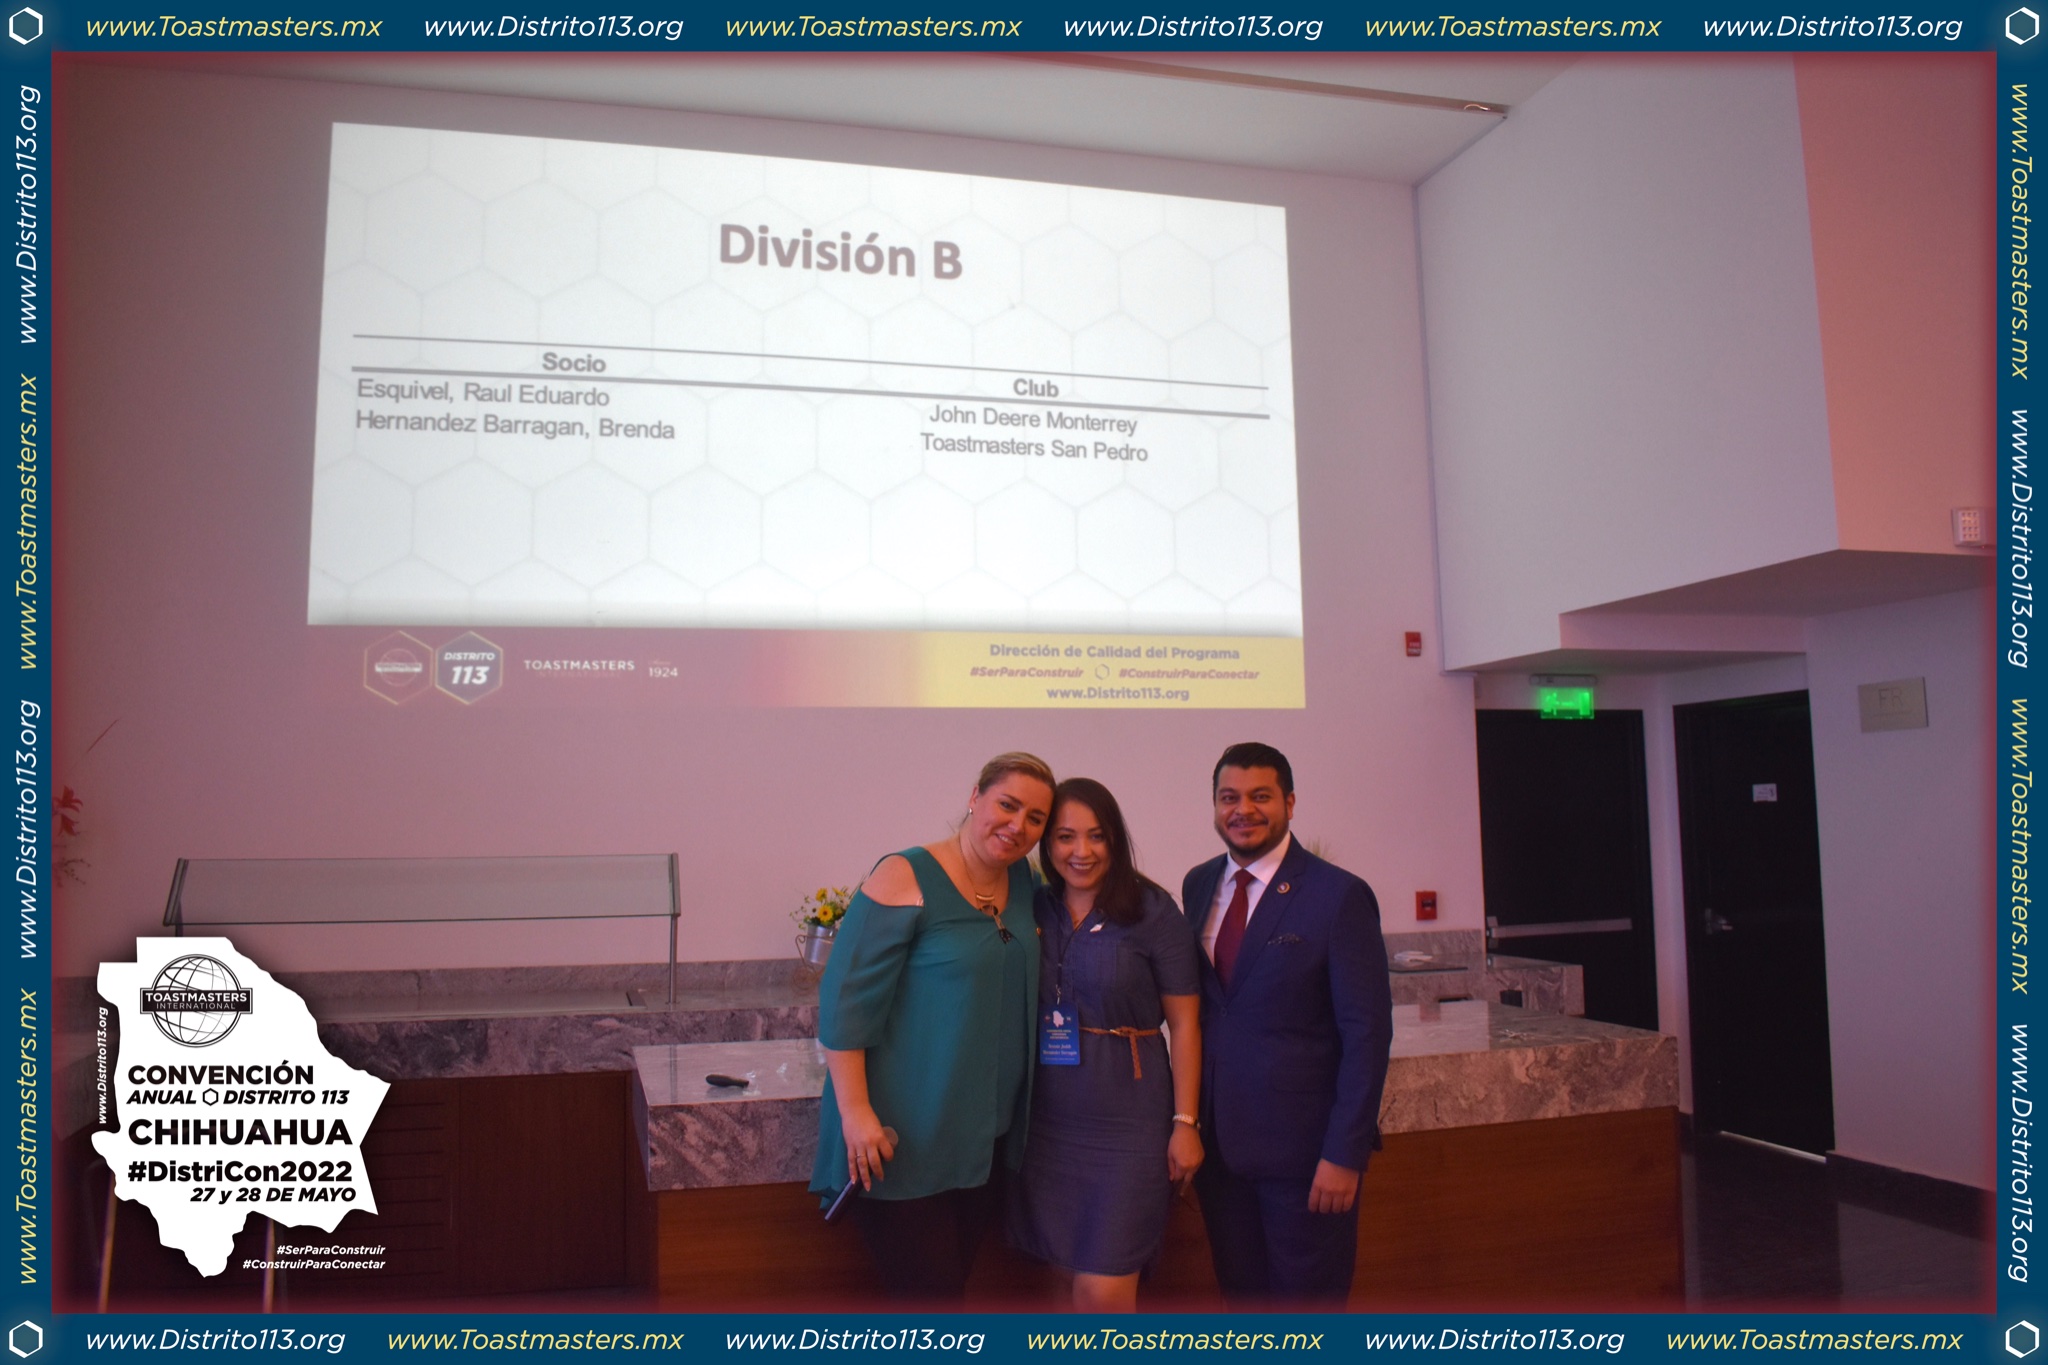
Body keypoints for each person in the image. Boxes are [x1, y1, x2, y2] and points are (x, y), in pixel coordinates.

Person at [809, 752, 1056, 1301]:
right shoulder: (904, 874)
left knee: (949, 1292)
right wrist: (856, 1113)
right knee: (932, 1301)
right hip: (902, 1139)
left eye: (1035, 818)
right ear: (975, 797)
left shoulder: (1025, 880)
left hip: (984, 1143)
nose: (1017, 825)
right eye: (1007, 805)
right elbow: (843, 1003)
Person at [1182, 741, 1392, 1304]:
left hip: (1307, 1160)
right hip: (1222, 1155)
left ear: (1290, 803)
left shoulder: (1338, 895)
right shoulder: (1198, 884)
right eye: (1229, 797)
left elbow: (1367, 1036)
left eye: (1260, 796)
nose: (1243, 810)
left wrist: (1344, 1153)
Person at [1009, 778, 1204, 1312]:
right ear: (1047, 844)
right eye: (1065, 836)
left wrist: (1186, 1123)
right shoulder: (1035, 906)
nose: (1082, 851)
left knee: (1103, 1291)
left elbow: (1186, 1026)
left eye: (1096, 836)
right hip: (1049, 1123)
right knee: (1059, 1278)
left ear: (1115, 838)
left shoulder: (1152, 910)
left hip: (1129, 1125)